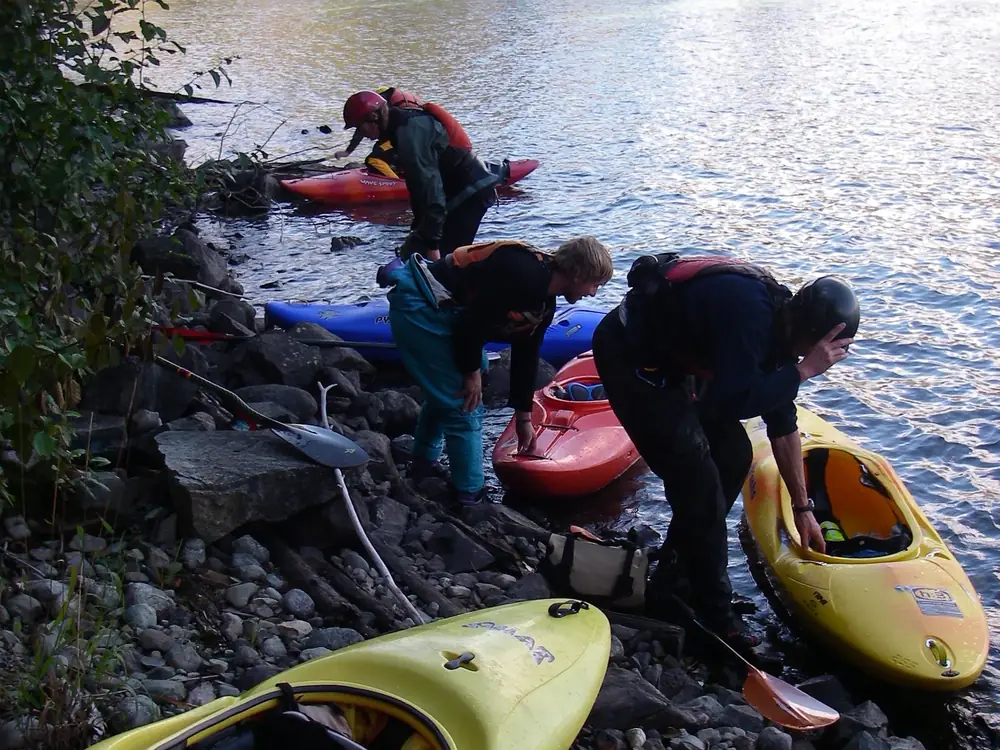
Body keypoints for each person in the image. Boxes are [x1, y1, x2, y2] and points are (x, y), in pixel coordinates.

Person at [591, 252, 859, 651]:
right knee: (697, 483)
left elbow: (782, 425)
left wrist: (804, 510)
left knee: (733, 453)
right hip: (631, 361)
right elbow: (736, 401)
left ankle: (676, 579)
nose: (820, 361)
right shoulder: (749, 317)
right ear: (815, 332)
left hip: (673, 361)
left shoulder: (784, 332)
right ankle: (716, 618)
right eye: (827, 350)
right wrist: (802, 372)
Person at [384, 237, 614, 505]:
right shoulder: (522, 276)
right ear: (577, 273)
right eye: (594, 284)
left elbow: (526, 355)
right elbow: (469, 326)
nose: (594, 293)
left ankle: (423, 463)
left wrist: (524, 419)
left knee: (451, 388)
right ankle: (470, 495)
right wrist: (471, 374)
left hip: (447, 311)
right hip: (420, 303)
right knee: (464, 400)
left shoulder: (544, 301)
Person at [334, 86, 473, 178]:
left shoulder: (403, 121)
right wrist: (348, 151)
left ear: (375, 116)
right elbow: (362, 126)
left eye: (361, 127)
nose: (363, 134)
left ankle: (397, 184)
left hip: (452, 151)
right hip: (455, 150)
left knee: (374, 159)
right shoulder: (387, 112)